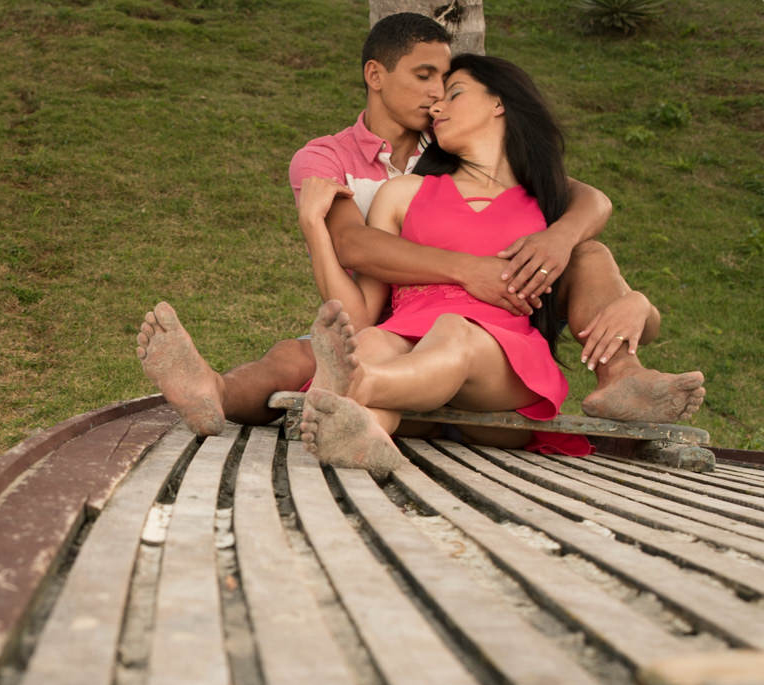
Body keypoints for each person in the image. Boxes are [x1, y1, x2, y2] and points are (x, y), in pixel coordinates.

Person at [136, 13, 703, 437]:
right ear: (375, 75)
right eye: (426, 76)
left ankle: (622, 375)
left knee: (585, 256)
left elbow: (580, 197)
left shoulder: (460, 145)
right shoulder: (329, 159)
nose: (437, 94)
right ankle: (214, 392)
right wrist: (469, 270)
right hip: (384, 318)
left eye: (447, 83)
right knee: (294, 355)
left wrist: (561, 236)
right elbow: (356, 243)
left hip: (475, 329)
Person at [299, 53, 592, 478]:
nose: (436, 108)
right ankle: (363, 437)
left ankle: (358, 384)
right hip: (409, 349)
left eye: (453, 94)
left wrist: (563, 236)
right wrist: (313, 225)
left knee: (452, 330)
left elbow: (597, 204)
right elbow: (361, 313)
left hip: (501, 361)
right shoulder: (403, 193)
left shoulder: (547, 198)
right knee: (371, 344)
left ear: (499, 103)